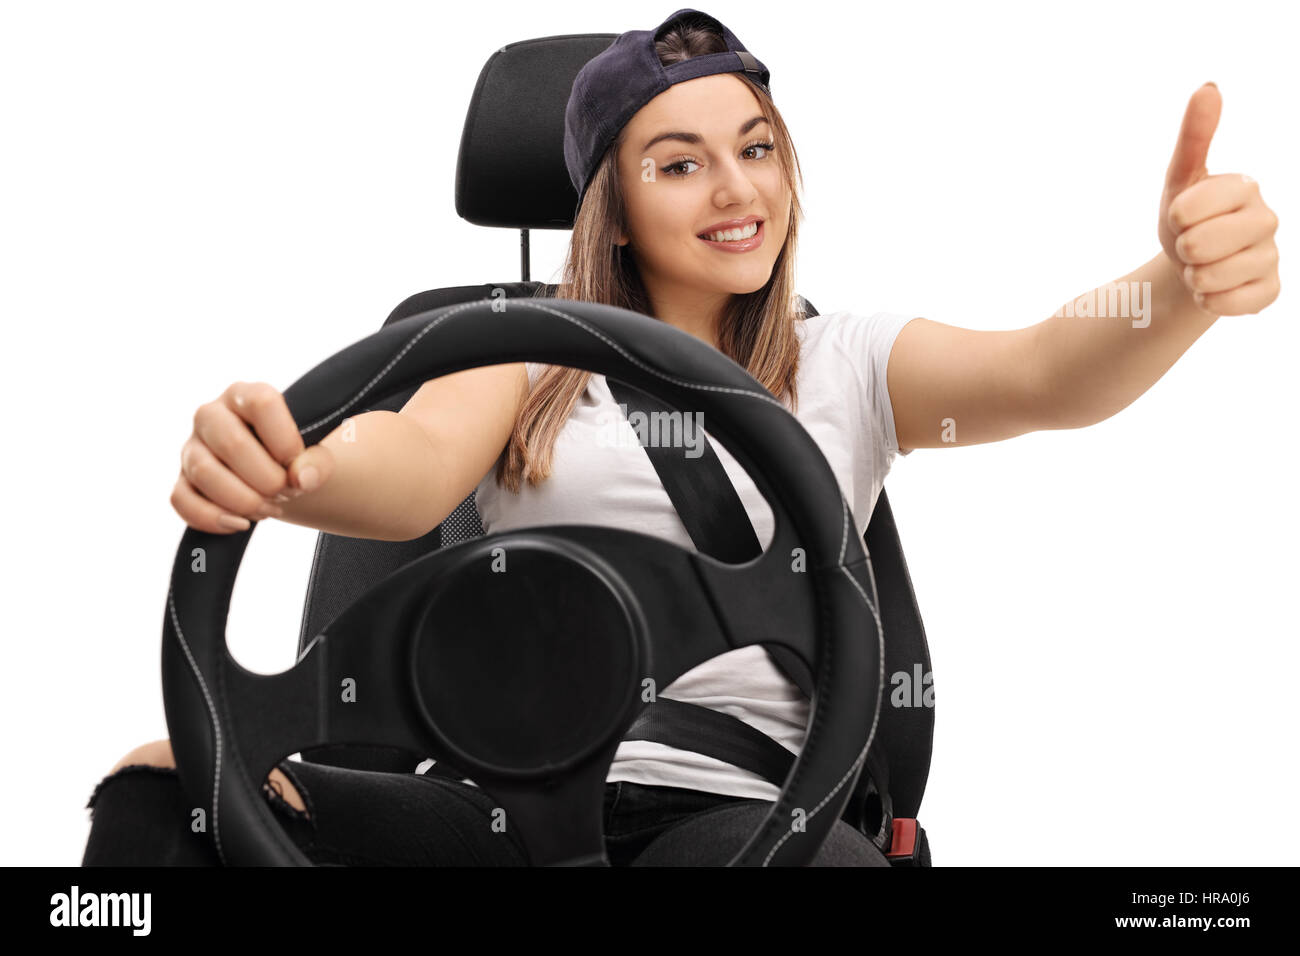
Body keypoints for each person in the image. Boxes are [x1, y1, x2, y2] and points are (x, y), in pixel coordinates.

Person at [81, 6, 1281, 867]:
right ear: (615, 198)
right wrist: (292, 469)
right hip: (491, 810)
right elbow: (403, 474)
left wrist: (1174, 285)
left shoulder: (844, 360)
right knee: (156, 792)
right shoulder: (517, 350)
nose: (734, 189)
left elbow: (1043, 371)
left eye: (756, 149)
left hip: (735, 814)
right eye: (680, 162)